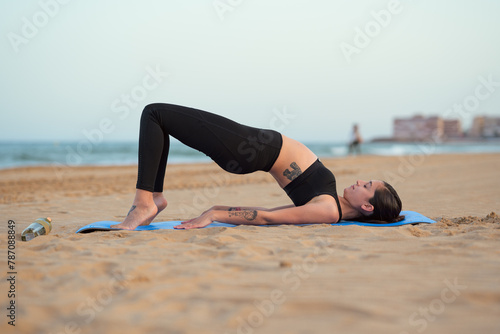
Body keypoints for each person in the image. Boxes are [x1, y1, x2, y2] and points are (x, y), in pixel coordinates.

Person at [111, 103, 403, 230]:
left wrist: (214, 213)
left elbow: (265, 218)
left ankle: (144, 202)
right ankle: (153, 198)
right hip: (253, 145)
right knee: (160, 118)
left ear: (367, 207)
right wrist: (217, 210)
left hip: (249, 149)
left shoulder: (328, 210)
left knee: (154, 114)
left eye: (367, 187)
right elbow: (278, 214)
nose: (360, 182)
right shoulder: (331, 203)